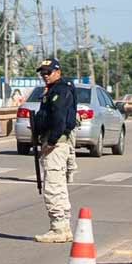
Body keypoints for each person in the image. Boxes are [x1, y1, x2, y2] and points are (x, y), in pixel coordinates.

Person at [32, 57, 78, 243]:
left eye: (48, 72)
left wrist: (50, 142)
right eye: (42, 73)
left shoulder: (60, 90)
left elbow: (59, 119)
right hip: (57, 142)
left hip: (57, 143)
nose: (45, 76)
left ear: (58, 72)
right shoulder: (53, 90)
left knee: (52, 186)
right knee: (59, 186)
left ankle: (58, 227)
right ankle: (64, 227)